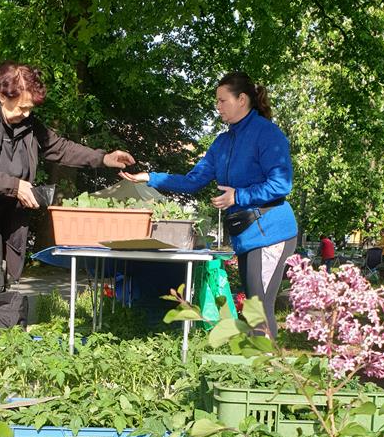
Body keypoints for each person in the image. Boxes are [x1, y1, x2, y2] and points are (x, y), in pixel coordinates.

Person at [0, 61, 135, 341]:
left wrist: (103, 158)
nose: (27, 113)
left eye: (31, 108)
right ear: (2, 95)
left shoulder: (26, 124)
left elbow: (59, 147)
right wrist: (14, 186)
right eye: (22, 107)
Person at [121, 71, 297, 337]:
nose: (218, 107)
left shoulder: (267, 134)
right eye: (216, 101)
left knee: (259, 308)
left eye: (222, 100)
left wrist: (238, 196)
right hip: (246, 233)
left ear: (242, 99)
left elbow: (281, 184)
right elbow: (193, 181)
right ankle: (258, 369)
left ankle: (267, 373)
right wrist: (150, 177)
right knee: (253, 307)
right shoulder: (222, 142)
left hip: (271, 230)